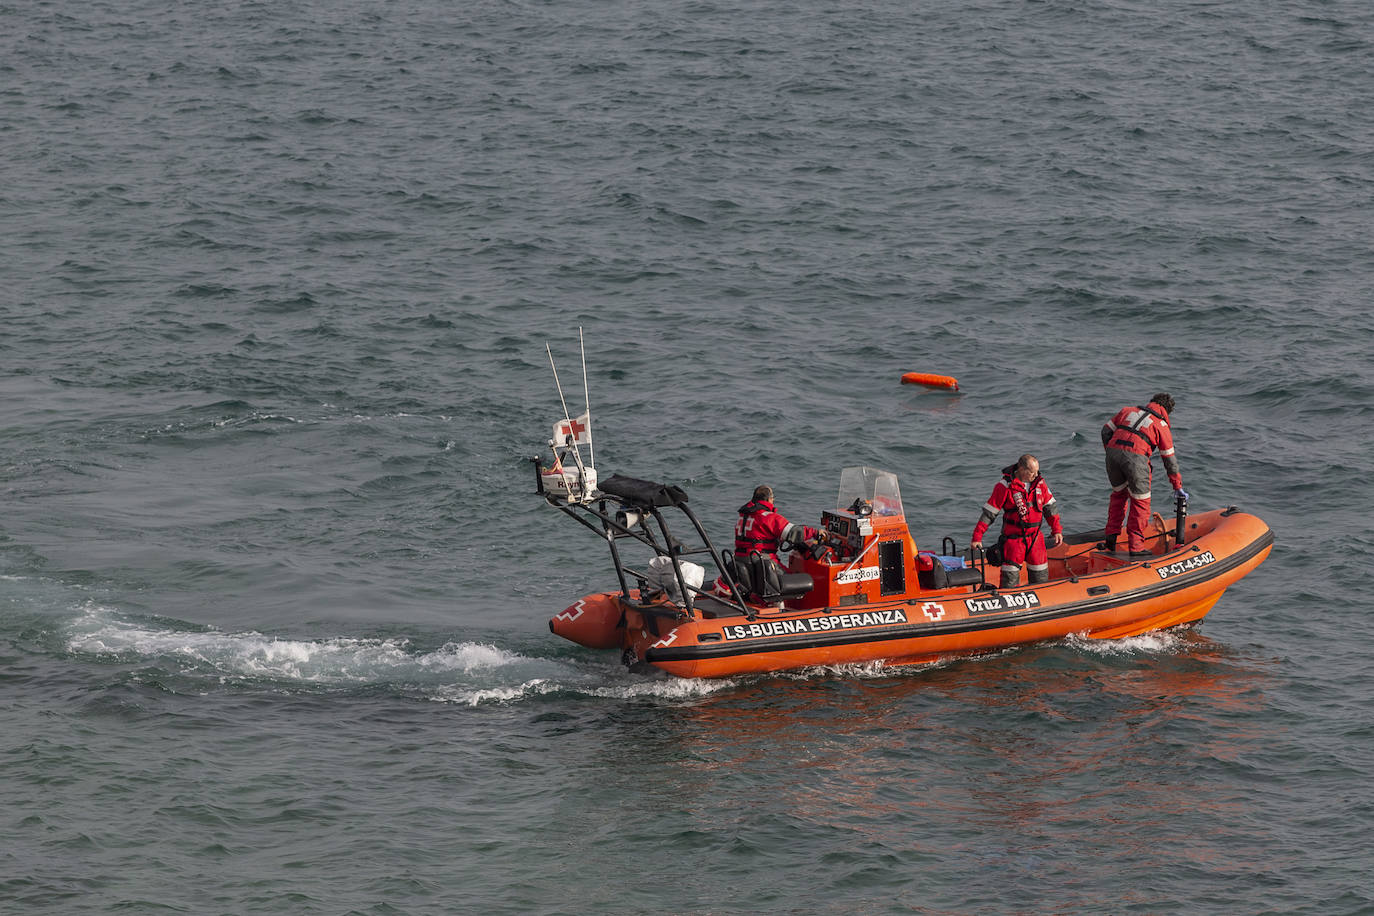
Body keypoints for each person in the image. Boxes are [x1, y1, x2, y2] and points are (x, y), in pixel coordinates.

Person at [1100, 392, 1187, 556]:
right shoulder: (1160, 425)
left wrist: (1111, 452)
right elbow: (1169, 461)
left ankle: (1110, 540)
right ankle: (1136, 547)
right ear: (1167, 412)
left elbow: (1105, 432)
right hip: (1136, 458)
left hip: (1112, 455)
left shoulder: (1127, 411)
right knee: (1141, 503)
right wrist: (1177, 486)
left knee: (1119, 496)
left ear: (1151, 402)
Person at [971, 454, 1063, 588]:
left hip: (1035, 538)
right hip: (1014, 541)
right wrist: (977, 537)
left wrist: (1057, 530)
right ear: (1021, 469)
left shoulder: (1040, 484)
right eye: (1032, 472)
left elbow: (1050, 509)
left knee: (1040, 576)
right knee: (1010, 579)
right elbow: (988, 514)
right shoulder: (1004, 487)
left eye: (1037, 471)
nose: (1036, 474)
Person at [714, 485, 819, 599]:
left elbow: (758, 536)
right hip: (763, 562)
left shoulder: (743, 516)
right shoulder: (769, 517)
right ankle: (782, 606)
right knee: (799, 578)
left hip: (742, 561)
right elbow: (794, 532)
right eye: (773, 498)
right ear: (769, 499)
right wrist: (816, 533)